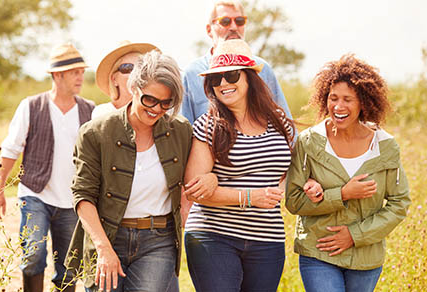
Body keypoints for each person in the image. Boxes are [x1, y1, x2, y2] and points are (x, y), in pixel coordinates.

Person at [65, 51, 200, 292]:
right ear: (134, 88)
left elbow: (192, 181)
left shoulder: (180, 131)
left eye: (165, 103)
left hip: (157, 240)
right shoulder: (96, 133)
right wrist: (103, 248)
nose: (156, 109)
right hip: (107, 235)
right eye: (149, 99)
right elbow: (83, 195)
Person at [285, 54, 411, 292]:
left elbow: (399, 203)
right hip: (318, 252)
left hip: (366, 258)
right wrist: (341, 194)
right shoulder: (309, 142)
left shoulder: (385, 146)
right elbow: (293, 201)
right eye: (333, 98)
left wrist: (355, 235)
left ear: (363, 102)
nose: (338, 106)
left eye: (347, 100)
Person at [183, 39, 296, 292]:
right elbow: (195, 191)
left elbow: (288, 169)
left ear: (249, 78)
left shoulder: (279, 122)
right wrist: (249, 197)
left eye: (231, 75)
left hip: (268, 237)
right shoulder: (208, 125)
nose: (223, 83)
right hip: (214, 236)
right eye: (215, 79)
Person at [0, 43, 95, 292]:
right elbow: (11, 149)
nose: (81, 77)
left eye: (82, 71)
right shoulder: (31, 106)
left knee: (69, 266)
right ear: (57, 75)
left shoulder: (90, 110)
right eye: (74, 72)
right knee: (33, 255)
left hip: (72, 201)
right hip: (35, 194)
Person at [181, 0, 292, 125]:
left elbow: (284, 123)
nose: (233, 27)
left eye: (239, 21)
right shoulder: (191, 74)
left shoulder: (263, 69)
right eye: (225, 21)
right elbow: (183, 131)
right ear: (209, 30)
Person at [91, 41, 158, 118]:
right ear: (114, 79)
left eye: (140, 67)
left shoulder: (156, 109)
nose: (135, 74)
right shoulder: (103, 112)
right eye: (128, 68)